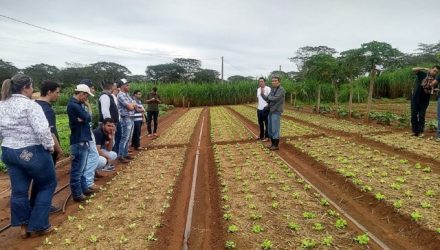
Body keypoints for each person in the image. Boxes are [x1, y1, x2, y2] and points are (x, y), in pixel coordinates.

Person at [0, 74, 56, 237]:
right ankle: (39, 225)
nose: (33, 90)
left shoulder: (1, 105)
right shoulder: (30, 105)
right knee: (47, 184)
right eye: (31, 87)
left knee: (19, 190)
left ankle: (24, 227)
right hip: (31, 152)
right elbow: (42, 130)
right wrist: (50, 147)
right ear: (25, 88)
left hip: (9, 151)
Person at [34, 80, 63, 214]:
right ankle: (43, 208)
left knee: (38, 179)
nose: (58, 95)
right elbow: (50, 133)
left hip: (35, 149)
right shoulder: (47, 110)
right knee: (48, 181)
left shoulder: (34, 105)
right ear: (49, 92)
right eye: (57, 92)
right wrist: (59, 150)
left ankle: (35, 204)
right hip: (46, 149)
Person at [66, 84, 95, 203]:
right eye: (86, 96)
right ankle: (77, 194)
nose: (86, 99)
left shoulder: (77, 105)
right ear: (81, 93)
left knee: (82, 167)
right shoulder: (74, 105)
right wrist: (85, 114)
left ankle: (84, 188)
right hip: (79, 140)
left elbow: (86, 118)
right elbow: (87, 117)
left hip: (82, 139)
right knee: (77, 169)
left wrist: (84, 118)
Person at [79, 79, 100, 191]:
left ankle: (87, 182)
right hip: (85, 134)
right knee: (93, 156)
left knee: (90, 157)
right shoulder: (79, 104)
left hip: (88, 132)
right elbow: (86, 119)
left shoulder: (84, 103)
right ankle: (88, 182)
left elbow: (88, 118)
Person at [410, 65, 440, 137]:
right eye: (434, 70)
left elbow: (433, 91)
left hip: (425, 100)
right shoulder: (423, 74)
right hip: (415, 97)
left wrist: (435, 91)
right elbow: (413, 69)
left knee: (421, 115)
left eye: (436, 72)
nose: (435, 72)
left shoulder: (435, 80)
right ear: (431, 69)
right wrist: (424, 68)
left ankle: (420, 132)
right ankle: (415, 131)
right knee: (413, 114)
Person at [261, 76, 285, 150]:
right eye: (272, 81)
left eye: (275, 80)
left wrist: (270, 98)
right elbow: (268, 98)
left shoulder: (281, 90)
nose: (273, 82)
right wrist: (262, 94)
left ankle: (276, 145)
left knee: (275, 128)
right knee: (270, 128)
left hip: (276, 111)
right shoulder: (273, 89)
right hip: (270, 111)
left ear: (279, 82)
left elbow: (275, 98)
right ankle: (272, 144)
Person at [116, 79, 135, 163]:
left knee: (129, 137)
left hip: (130, 117)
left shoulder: (127, 94)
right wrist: (132, 104)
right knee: (124, 137)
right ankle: (120, 155)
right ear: (123, 86)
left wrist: (132, 104)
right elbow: (130, 107)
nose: (129, 86)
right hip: (125, 118)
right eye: (127, 85)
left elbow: (133, 104)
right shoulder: (121, 95)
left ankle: (125, 153)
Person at [256, 77, 271, 141]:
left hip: (266, 109)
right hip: (259, 109)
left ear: (265, 82)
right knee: (260, 123)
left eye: (262, 81)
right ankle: (261, 136)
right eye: (259, 81)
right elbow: (258, 98)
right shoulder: (258, 89)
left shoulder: (268, 88)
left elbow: (270, 99)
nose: (261, 82)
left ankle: (267, 137)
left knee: (267, 123)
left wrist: (267, 105)